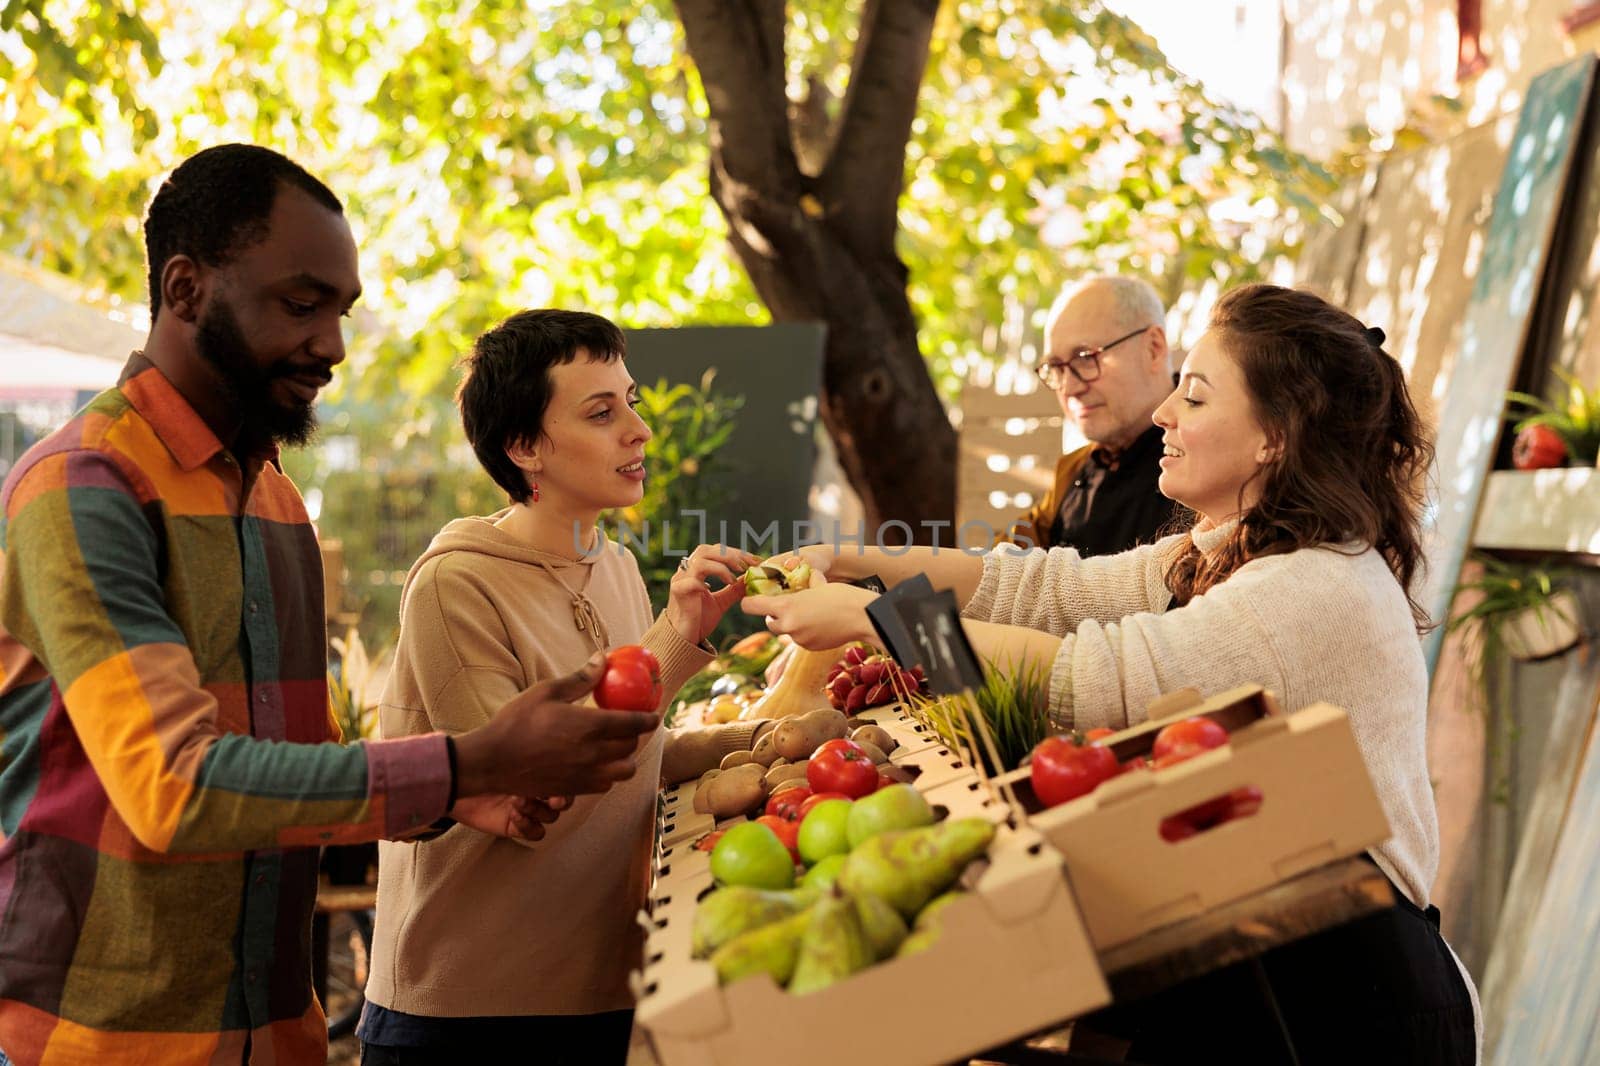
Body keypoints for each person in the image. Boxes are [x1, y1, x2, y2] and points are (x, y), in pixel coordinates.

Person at [0, 146, 659, 1066]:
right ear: (185, 289)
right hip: (104, 1044)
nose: (334, 347)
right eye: (300, 305)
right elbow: (173, 785)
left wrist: (454, 797)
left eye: (340, 313)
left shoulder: (274, 503)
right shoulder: (83, 484)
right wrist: (464, 763)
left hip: (278, 1034)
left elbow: (285, 770)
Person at [746, 283, 1480, 1063]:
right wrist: (854, 559)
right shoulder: (1230, 547)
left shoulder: (1308, 588)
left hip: (1350, 1000)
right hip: (1261, 956)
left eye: (1194, 399)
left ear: (1276, 434)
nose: (1166, 414)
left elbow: (1088, 680)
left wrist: (876, 623)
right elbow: (1044, 589)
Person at [357, 310, 767, 1064]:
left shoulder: (612, 567)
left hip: (603, 987)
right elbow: (528, 787)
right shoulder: (456, 585)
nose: (638, 430)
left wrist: (758, 743)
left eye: (631, 402)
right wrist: (671, 644)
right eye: (601, 412)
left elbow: (635, 758)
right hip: (471, 1013)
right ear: (524, 448)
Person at [1002, 275, 1179, 554]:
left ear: (1153, 348)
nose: (1070, 387)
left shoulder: (1213, 456)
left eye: (1086, 357)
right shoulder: (1075, 470)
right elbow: (1000, 563)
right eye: (1056, 367)